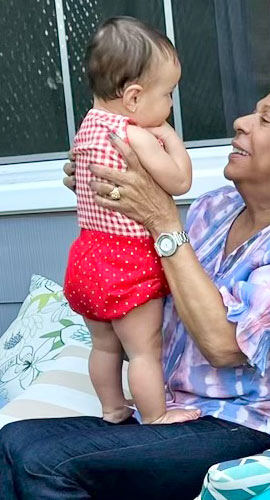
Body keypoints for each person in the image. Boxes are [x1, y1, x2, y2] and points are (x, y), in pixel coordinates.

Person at [0, 78, 270, 500]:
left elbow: (223, 346)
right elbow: (147, 300)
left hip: (251, 427)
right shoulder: (213, 209)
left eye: (264, 120)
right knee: (11, 441)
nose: (240, 122)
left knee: (46, 460)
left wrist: (162, 220)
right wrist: (105, 191)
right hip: (171, 414)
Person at [63, 17, 195, 425]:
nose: (170, 105)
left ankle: (112, 408)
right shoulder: (132, 134)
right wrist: (171, 139)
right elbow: (180, 180)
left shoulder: (87, 128)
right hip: (126, 262)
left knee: (103, 346)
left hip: (86, 256)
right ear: (134, 98)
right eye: (168, 95)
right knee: (142, 350)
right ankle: (155, 415)